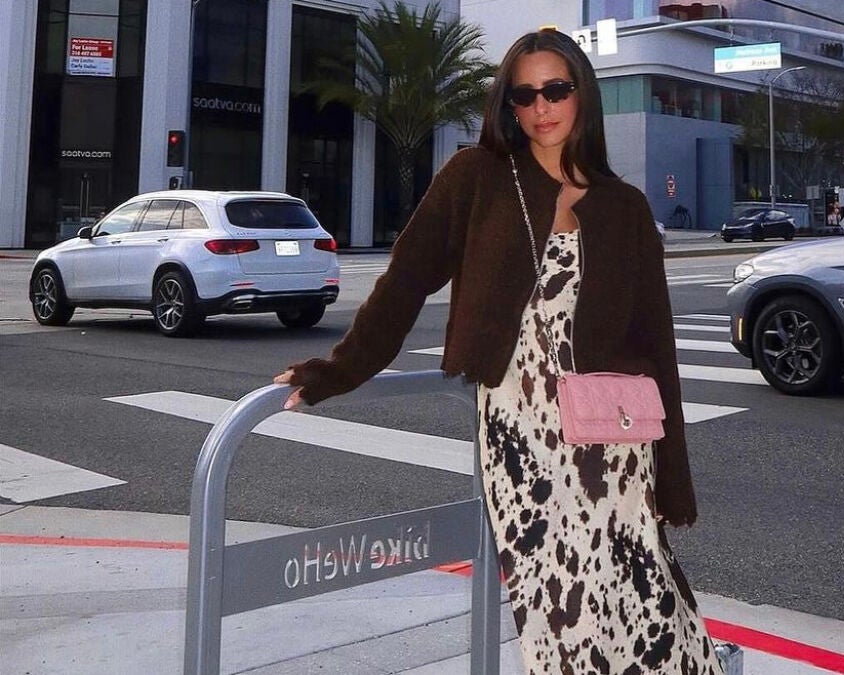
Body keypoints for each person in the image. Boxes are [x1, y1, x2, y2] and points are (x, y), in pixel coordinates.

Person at [274, 28, 725, 675]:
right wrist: (338, 370)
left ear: (582, 93)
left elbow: (656, 343)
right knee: (558, 613)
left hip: (612, 446)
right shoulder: (478, 178)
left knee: (642, 604)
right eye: (525, 95)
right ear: (508, 105)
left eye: (556, 90)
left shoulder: (624, 207)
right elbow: (406, 280)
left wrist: (672, 478)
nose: (541, 107)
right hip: (521, 439)